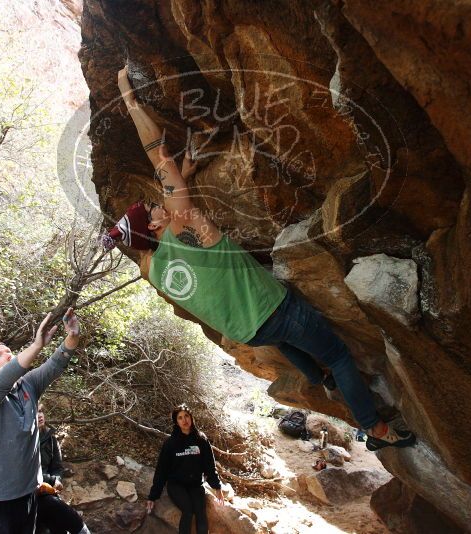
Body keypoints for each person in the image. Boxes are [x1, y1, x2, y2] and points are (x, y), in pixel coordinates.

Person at [105, 66, 416, 452]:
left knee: (289, 343)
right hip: (274, 308)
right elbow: (158, 153)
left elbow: (179, 218)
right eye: (153, 208)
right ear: (152, 227)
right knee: (337, 355)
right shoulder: (180, 223)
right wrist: (130, 101)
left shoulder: (153, 268)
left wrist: (182, 180)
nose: (157, 204)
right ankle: (376, 429)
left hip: (251, 330)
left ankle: (320, 381)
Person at [0, 308, 80, 534]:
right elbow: (5, 379)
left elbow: (55, 364)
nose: (8, 355)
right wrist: (37, 345)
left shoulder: (28, 386)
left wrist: (73, 336)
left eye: (9, 351)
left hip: (28, 498)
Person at [147, 404, 223, 534]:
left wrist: (217, 487)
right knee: (188, 511)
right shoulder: (171, 443)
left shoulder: (201, 440)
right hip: (176, 485)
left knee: (201, 513)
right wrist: (153, 496)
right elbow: (162, 470)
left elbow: (210, 465)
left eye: (186, 416)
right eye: (180, 418)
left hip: (195, 485)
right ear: (176, 422)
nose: (184, 420)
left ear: (191, 418)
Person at [35, 406, 90, 534]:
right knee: (54, 507)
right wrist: (51, 479)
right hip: (30, 493)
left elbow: (57, 467)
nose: (40, 415)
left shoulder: (51, 439)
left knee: (58, 524)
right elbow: (26, 471)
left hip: (47, 491)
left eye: (41, 411)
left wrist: (57, 480)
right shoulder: (23, 440)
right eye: (35, 412)